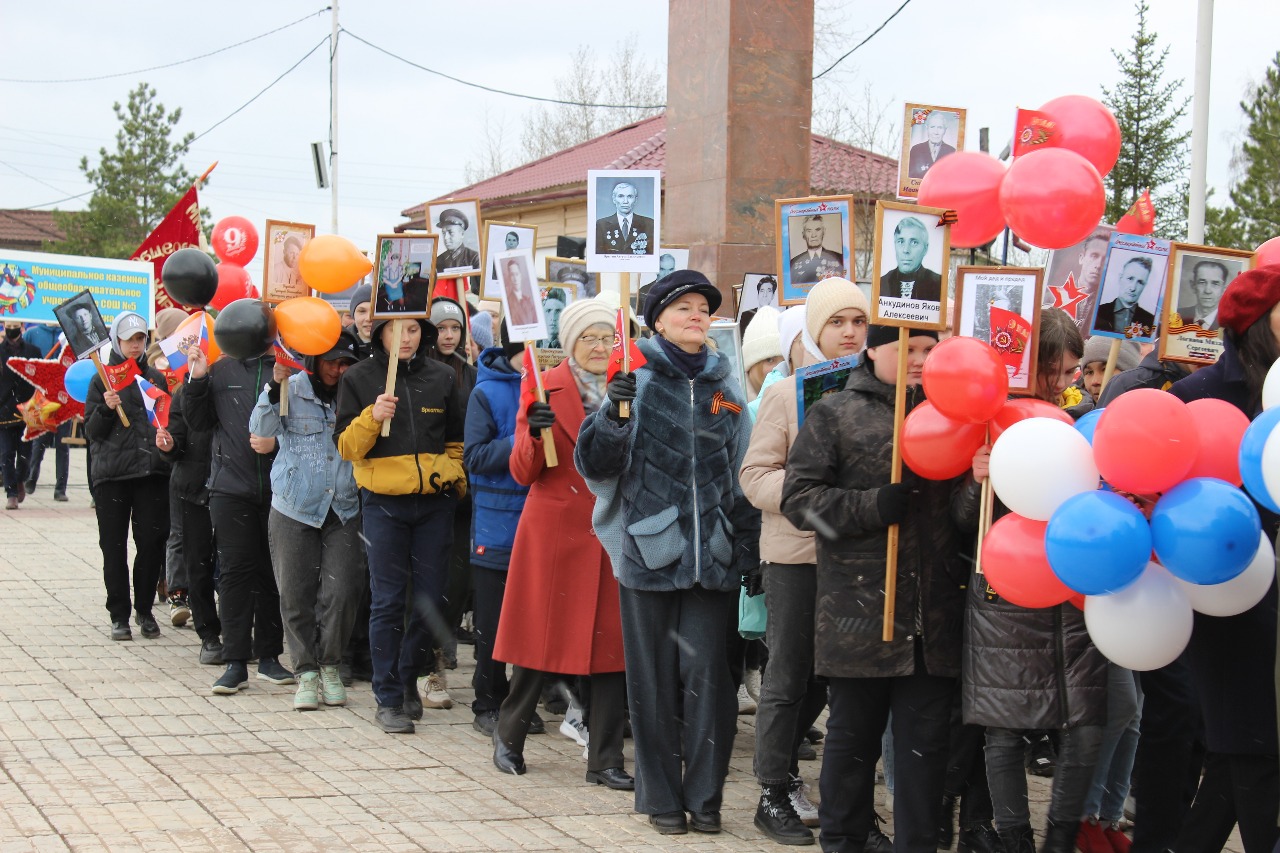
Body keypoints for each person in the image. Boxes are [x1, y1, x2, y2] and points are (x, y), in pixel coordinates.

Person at [781, 320, 978, 853]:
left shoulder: (954, 416)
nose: (919, 359)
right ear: (873, 350)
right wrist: (871, 506)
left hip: (930, 619)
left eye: (928, 348)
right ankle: (843, 841)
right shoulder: (835, 412)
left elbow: (963, 521)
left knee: (925, 752)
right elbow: (799, 502)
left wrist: (980, 484)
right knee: (851, 746)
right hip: (858, 612)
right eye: (906, 347)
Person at [576, 270, 761, 837]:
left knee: (711, 681)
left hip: (714, 559)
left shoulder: (726, 390)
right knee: (651, 683)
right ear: (656, 319)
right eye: (683, 307)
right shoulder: (635, 381)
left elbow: (742, 471)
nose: (696, 315)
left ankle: (705, 798)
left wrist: (749, 544)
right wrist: (611, 413)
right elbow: (596, 465)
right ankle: (660, 798)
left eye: (704, 308)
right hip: (649, 554)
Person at [964, 309, 1106, 853]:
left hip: (1072, 583)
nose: (1071, 382)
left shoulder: (1082, 421)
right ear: (1038, 363)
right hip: (1006, 583)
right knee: (1003, 725)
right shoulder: (992, 420)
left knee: (1085, 722)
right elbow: (962, 520)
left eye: (1076, 373)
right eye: (1063, 371)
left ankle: (1060, 840)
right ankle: (1016, 840)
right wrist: (979, 480)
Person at [741, 279, 871, 847]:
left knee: (834, 676)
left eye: (858, 321)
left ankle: (801, 775)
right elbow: (754, 475)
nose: (848, 332)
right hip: (796, 554)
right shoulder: (788, 392)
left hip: (855, 555)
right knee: (789, 674)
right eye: (836, 322)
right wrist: (810, 493)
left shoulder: (874, 395)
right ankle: (771, 789)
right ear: (815, 332)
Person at [492, 297, 631, 791]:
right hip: (554, 529)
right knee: (537, 643)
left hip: (611, 531)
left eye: (607, 336)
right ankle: (509, 737)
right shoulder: (544, 387)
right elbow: (523, 471)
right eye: (588, 338)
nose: (599, 347)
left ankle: (606, 758)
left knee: (612, 652)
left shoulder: (631, 389)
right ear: (570, 344)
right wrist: (532, 434)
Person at [1164, 265, 1280, 851]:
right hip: (1227, 600)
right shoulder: (1198, 397)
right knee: (1254, 750)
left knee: (1242, 763)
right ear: (1258, 322)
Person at [335, 314, 467, 735]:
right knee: (388, 601)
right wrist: (373, 416)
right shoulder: (358, 377)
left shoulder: (443, 377)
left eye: (413, 330)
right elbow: (346, 448)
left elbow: (456, 440)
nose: (405, 338)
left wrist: (453, 479)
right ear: (380, 333)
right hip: (383, 505)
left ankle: (409, 673)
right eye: (396, 330)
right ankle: (388, 695)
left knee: (432, 602)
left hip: (434, 504)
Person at [249, 329, 363, 712]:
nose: (339, 369)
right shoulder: (290, 386)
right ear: (314, 360)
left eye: (346, 362)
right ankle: (306, 671)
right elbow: (260, 431)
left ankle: (330, 664)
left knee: (342, 592)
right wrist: (273, 385)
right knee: (295, 594)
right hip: (294, 506)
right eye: (332, 361)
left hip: (345, 507)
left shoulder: (358, 389)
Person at [184, 332, 293, 695]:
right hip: (229, 488)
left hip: (279, 488)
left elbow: (305, 425)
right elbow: (197, 422)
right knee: (234, 573)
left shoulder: (285, 366)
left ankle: (269, 657)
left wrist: (276, 442)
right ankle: (234, 660)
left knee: (271, 574)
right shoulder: (220, 369)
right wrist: (197, 379)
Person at [83, 312, 172, 641]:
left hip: (151, 474)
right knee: (114, 546)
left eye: (139, 339)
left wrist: (167, 441)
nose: (135, 345)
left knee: (151, 543)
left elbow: (165, 421)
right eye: (128, 339)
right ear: (116, 341)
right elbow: (92, 433)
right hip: (112, 477)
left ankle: (145, 610)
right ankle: (118, 614)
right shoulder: (101, 379)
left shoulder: (155, 380)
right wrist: (106, 407)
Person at [464, 324, 529, 735]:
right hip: (497, 522)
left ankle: (524, 699)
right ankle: (487, 699)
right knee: (492, 623)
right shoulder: (486, 392)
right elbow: (475, 456)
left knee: (531, 618)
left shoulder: (561, 387)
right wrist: (522, 437)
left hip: (541, 519)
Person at [424, 296, 478, 707]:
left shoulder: (473, 375)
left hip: (465, 498)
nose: (448, 335)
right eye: (441, 327)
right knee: (426, 582)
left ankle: (440, 655)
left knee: (457, 585)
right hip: (429, 491)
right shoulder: (419, 374)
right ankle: (428, 666)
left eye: (455, 328)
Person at [160, 380, 223, 666]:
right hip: (193, 488)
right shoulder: (184, 393)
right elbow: (175, 441)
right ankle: (209, 634)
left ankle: (238, 629)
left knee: (236, 565)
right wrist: (170, 446)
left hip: (234, 486)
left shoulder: (240, 381)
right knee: (198, 564)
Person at [0, 321, 38, 509]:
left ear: (22, 327)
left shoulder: (33, 351)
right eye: (8, 324)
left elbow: (39, 379)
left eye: (15, 325)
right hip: (4, 409)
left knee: (25, 455)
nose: (11, 328)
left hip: (28, 410)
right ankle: (11, 493)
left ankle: (20, 478)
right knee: (6, 453)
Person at [879, 216, 942, 302]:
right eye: (900, 241)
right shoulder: (882, 283)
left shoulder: (938, 284)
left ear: (925, 248)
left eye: (914, 242)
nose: (906, 250)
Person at [1095, 257, 1156, 336]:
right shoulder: (1098, 312)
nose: (1133, 288)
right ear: (1120, 278)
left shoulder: (1151, 321)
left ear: (1144, 286)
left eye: (1140, 282)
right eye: (1130, 278)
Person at [1067, 230, 1113, 335]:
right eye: (1094, 256)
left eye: (1105, 259)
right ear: (1082, 258)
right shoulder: (1051, 298)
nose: (1098, 265)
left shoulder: (1109, 310)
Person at [594, 180, 655, 256]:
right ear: (614, 199)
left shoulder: (649, 224)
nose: (625, 201)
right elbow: (598, 256)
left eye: (630, 196)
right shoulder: (601, 225)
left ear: (635, 200)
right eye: (621, 196)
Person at [740, 304, 783, 401]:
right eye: (770, 360)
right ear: (752, 364)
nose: (781, 368)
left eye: (786, 360)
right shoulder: (733, 407)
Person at [1173, 258, 1229, 331]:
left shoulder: (1230, 324)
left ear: (1224, 289)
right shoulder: (1176, 315)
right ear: (1193, 286)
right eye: (1202, 282)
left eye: (1215, 284)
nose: (1207, 291)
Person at [1077, 336, 1139, 402]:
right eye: (1089, 372)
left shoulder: (1148, 410)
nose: (1095, 381)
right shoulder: (1073, 409)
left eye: (1105, 369)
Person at [789, 216, 845, 286]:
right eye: (809, 231)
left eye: (817, 230)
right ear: (803, 234)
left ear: (824, 231)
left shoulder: (839, 259)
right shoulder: (793, 263)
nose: (813, 235)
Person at [907, 111, 957, 180]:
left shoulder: (952, 152)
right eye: (932, 127)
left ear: (945, 130)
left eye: (940, 128)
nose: (936, 132)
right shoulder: (915, 150)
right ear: (927, 128)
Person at [502, 259, 539, 328]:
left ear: (520, 275)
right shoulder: (508, 301)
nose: (515, 278)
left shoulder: (528, 300)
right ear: (509, 277)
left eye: (517, 274)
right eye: (512, 275)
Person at [348, 284, 374, 359]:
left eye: (374, 312)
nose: (369, 318)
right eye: (362, 311)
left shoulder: (396, 347)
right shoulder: (343, 346)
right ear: (353, 315)